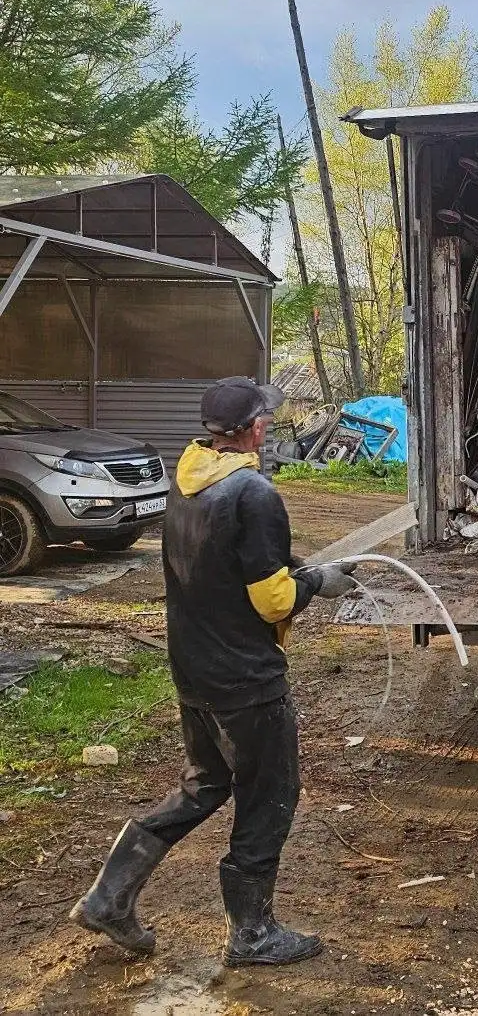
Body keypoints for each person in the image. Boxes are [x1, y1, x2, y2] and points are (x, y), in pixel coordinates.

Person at [70, 377, 357, 966]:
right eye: (266, 419)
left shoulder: (187, 478)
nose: (270, 426)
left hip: (196, 671)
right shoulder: (254, 492)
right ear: (252, 429)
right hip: (247, 681)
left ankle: (109, 896)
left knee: (204, 785)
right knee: (268, 795)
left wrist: (285, 562)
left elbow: (220, 560)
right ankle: (252, 934)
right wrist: (316, 584)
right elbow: (273, 602)